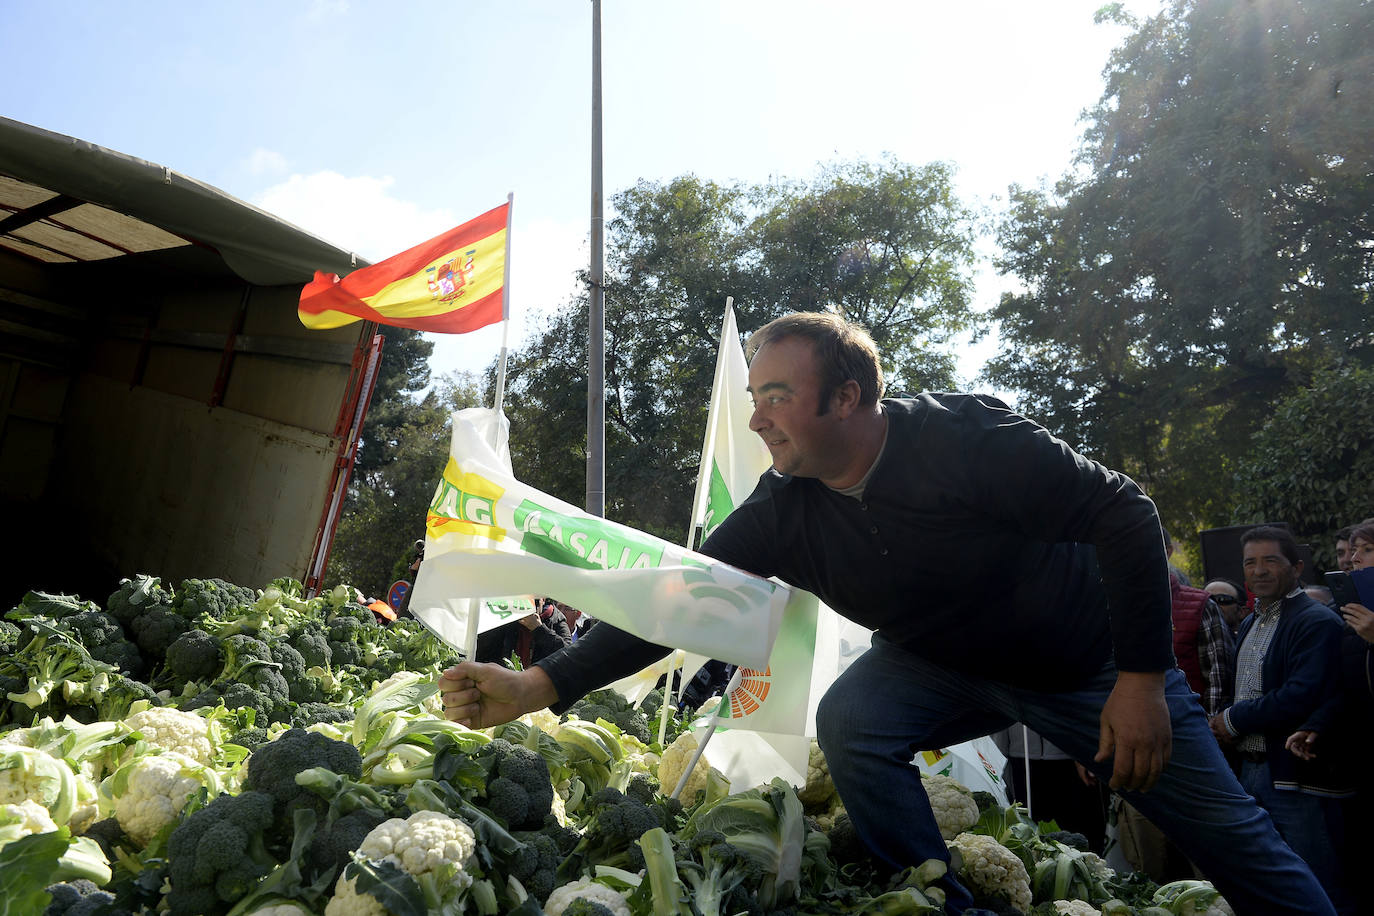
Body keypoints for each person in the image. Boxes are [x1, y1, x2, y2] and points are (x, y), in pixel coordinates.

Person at [438, 312, 1335, 914]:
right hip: (941, 666)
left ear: (851, 399)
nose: (760, 421)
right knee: (854, 719)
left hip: (1088, 668)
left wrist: (1142, 677)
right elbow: (673, 600)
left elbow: (1126, 512)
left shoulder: (965, 440)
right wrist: (536, 682)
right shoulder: (783, 509)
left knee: (1234, 842)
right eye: (754, 399)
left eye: (778, 397)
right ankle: (947, 900)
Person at [1207, 526, 1353, 913]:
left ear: (1297, 567)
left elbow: (1300, 695)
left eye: (1271, 560)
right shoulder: (1254, 620)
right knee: (1271, 887)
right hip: (1253, 772)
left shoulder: (1315, 621)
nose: (1259, 570)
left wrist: (1232, 719)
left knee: (1319, 884)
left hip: (1295, 778)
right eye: (1250, 562)